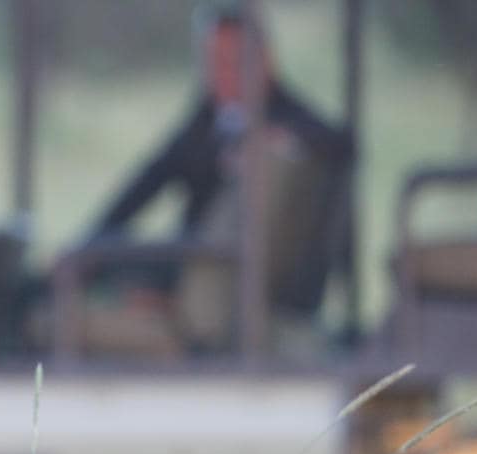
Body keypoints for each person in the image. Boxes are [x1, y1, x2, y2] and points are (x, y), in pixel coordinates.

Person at [83, 7, 352, 264]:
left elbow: (337, 142)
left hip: (232, 268)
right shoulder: (208, 115)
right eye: (214, 63)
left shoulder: (288, 117)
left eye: (232, 63)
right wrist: (94, 239)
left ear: (265, 61)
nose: (221, 75)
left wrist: (275, 141)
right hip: (189, 252)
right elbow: (152, 177)